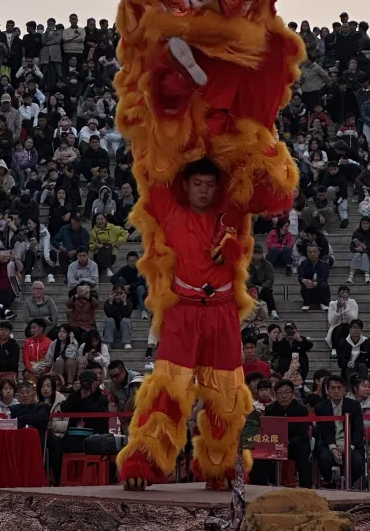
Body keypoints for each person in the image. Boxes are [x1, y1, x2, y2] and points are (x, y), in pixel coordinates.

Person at [119, 158, 283, 491]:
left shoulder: (234, 211)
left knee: (226, 394)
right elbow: (152, 159)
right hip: (183, 310)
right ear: (186, 185)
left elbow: (275, 196)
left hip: (222, 310)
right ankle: (144, 460)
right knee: (167, 387)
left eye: (210, 184)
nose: (204, 191)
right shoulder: (170, 210)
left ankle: (221, 465)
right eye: (198, 184)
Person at [254, 379, 313, 488]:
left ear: (292, 394)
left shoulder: (301, 409)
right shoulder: (270, 409)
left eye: (287, 392)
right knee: (259, 454)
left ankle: (307, 487)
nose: (284, 396)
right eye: (280, 393)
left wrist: (289, 442)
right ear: (275, 395)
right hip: (274, 444)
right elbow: (268, 431)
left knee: (302, 450)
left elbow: (303, 434)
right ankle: (259, 487)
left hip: (294, 444)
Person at [313, 373, 365, 488]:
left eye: (339, 388)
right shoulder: (321, 408)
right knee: (324, 458)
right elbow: (323, 430)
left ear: (344, 389)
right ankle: (331, 482)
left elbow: (358, 430)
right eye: (332, 388)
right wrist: (333, 447)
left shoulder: (354, 405)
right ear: (327, 390)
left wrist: (348, 447)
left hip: (350, 444)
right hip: (329, 444)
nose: (336, 391)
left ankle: (348, 485)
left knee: (357, 462)